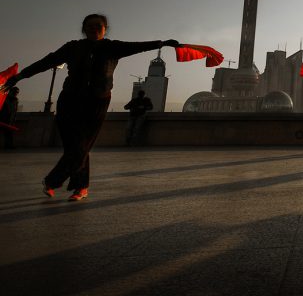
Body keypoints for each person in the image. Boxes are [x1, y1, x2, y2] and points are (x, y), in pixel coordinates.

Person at [0, 14, 178, 201]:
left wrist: (162, 43)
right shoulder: (73, 47)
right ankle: (81, 186)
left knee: (82, 145)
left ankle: (56, 182)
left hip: (97, 101)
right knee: (75, 146)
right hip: (69, 100)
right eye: (90, 26)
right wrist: (20, 76)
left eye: (98, 26)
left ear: (105, 29)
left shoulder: (112, 47)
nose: (94, 28)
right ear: (84, 29)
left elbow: (137, 47)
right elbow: (46, 62)